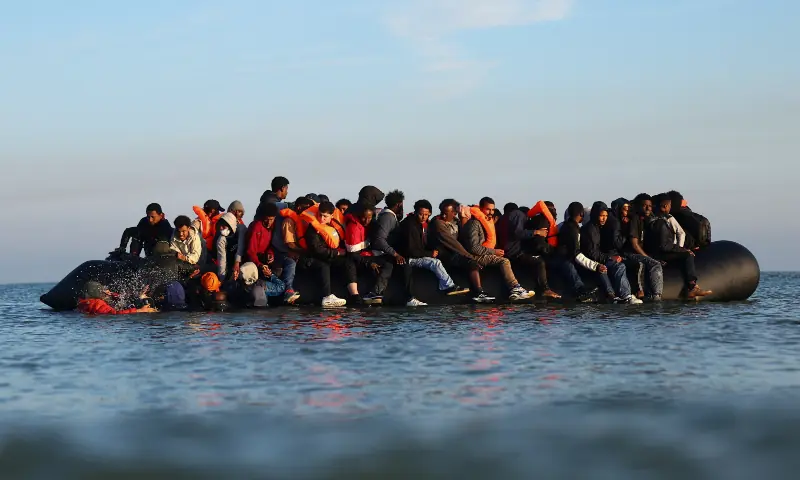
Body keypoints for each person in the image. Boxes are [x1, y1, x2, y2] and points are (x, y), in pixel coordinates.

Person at [460, 197, 536, 301]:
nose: (491, 212)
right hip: (474, 256)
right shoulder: (474, 224)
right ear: (481, 208)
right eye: (488, 209)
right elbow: (474, 248)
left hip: (483, 253)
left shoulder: (486, 222)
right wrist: (494, 252)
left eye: (492, 210)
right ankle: (515, 288)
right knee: (504, 261)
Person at [396, 199, 470, 297]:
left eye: (426, 215)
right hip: (409, 258)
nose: (423, 217)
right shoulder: (410, 226)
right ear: (415, 212)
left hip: (418, 254)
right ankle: (448, 286)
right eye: (421, 214)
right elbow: (411, 250)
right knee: (435, 263)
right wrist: (429, 254)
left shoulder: (424, 224)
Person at [644, 195, 712, 299]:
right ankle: (692, 287)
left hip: (651, 252)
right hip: (660, 254)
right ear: (666, 206)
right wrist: (681, 249)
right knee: (688, 256)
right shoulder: (664, 221)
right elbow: (668, 243)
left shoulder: (650, 219)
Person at [429, 199, 495, 303]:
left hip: (457, 252)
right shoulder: (438, 223)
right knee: (472, 263)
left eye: (447, 213)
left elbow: (464, 239)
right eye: (442, 212)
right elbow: (452, 243)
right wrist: (469, 256)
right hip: (445, 253)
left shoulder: (456, 222)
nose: (444, 216)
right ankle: (478, 291)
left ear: (454, 213)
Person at [580, 202, 642, 304]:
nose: (604, 219)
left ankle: (621, 295)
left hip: (600, 258)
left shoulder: (597, 227)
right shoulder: (591, 229)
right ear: (595, 215)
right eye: (601, 216)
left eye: (606, 216)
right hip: (593, 261)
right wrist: (609, 258)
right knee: (619, 266)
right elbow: (592, 253)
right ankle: (625, 295)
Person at [503, 204, 561, 299]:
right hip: (514, 254)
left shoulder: (505, 219)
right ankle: (545, 289)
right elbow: (518, 233)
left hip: (509, 251)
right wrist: (536, 232)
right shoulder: (519, 215)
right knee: (540, 262)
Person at [343, 203, 393, 305]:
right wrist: (369, 263)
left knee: (389, 263)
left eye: (369, 218)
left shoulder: (370, 226)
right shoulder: (353, 228)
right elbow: (352, 255)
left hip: (366, 256)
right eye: (364, 218)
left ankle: (375, 292)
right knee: (351, 263)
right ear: (358, 216)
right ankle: (355, 296)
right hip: (355, 259)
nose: (366, 221)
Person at [303, 201, 348, 307]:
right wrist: (336, 253)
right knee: (324, 265)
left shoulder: (333, 225)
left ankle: (353, 293)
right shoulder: (313, 228)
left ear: (331, 216)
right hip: (311, 258)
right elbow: (316, 250)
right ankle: (327, 296)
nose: (321, 219)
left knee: (347, 262)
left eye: (325, 216)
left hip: (328, 255)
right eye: (320, 215)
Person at [556, 202, 603, 302]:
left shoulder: (566, 225)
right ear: (581, 214)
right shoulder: (573, 229)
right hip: (563, 260)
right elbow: (576, 254)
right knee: (569, 265)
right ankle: (580, 290)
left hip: (562, 257)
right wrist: (596, 266)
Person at [275, 196, 315, 304]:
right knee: (291, 263)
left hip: (299, 252)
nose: (307, 211)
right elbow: (290, 244)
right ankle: (288, 290)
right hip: (283, 253)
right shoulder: (288, 221)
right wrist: (305, 252)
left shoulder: (304, 221)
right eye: (305, 208)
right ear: (298, 208)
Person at [245, 202, 279, 282]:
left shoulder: (273, 227)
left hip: (264, 258)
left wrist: (270, 254)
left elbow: (271, 245)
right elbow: (250, 251)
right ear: (263, 217)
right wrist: (260, 265)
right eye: (267, 219)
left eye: (271, 219)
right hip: (253, 261)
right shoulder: (256, 227)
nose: (269, 222)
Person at [76, 281, 157, 314]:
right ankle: (140, 298)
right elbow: (115, 314)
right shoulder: (98, 303)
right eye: (101, 291)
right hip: (116, 314)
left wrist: (111, 294)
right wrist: (139, 310)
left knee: (123, 301)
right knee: (128, 304)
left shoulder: (83, 302)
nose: (105, 292)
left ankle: (139, 296)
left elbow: (120, 297)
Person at [213, 211, 246, 282]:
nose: (221, 228)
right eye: (220, 226)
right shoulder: (221, 240)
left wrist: (237, 261)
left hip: (244, 261)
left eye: (224, 226)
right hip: (230, 264)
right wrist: (222, 278)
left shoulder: (241, 230)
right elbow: (222, 259)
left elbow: (241, 246)